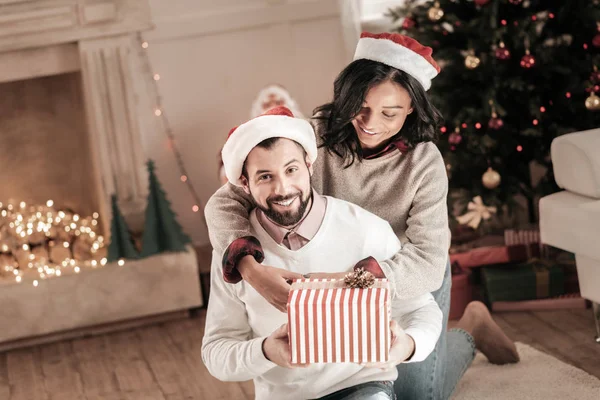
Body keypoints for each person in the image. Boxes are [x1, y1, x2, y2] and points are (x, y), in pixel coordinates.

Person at [205, 32, 519, 400]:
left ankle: (469, 330)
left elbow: (428, 261)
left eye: (390, 113)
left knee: (418, 394)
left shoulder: (424, 163)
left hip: (406, 272)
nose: (370, 123)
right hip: (337, 273)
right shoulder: (310, 141)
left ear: (412, 109)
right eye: (361, 107)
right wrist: (251, 270)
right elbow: (225, 202)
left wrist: (348, 281)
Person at [202, 106, 443, 400]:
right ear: (244, 184)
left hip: (362, 386)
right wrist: (265, 351)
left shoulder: (366, 229)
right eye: (265, 177)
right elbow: (216, 350)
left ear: (309, 166)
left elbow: (421, 309)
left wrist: (408, 344)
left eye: (291, 170)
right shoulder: (234, 255)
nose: (283, 189)